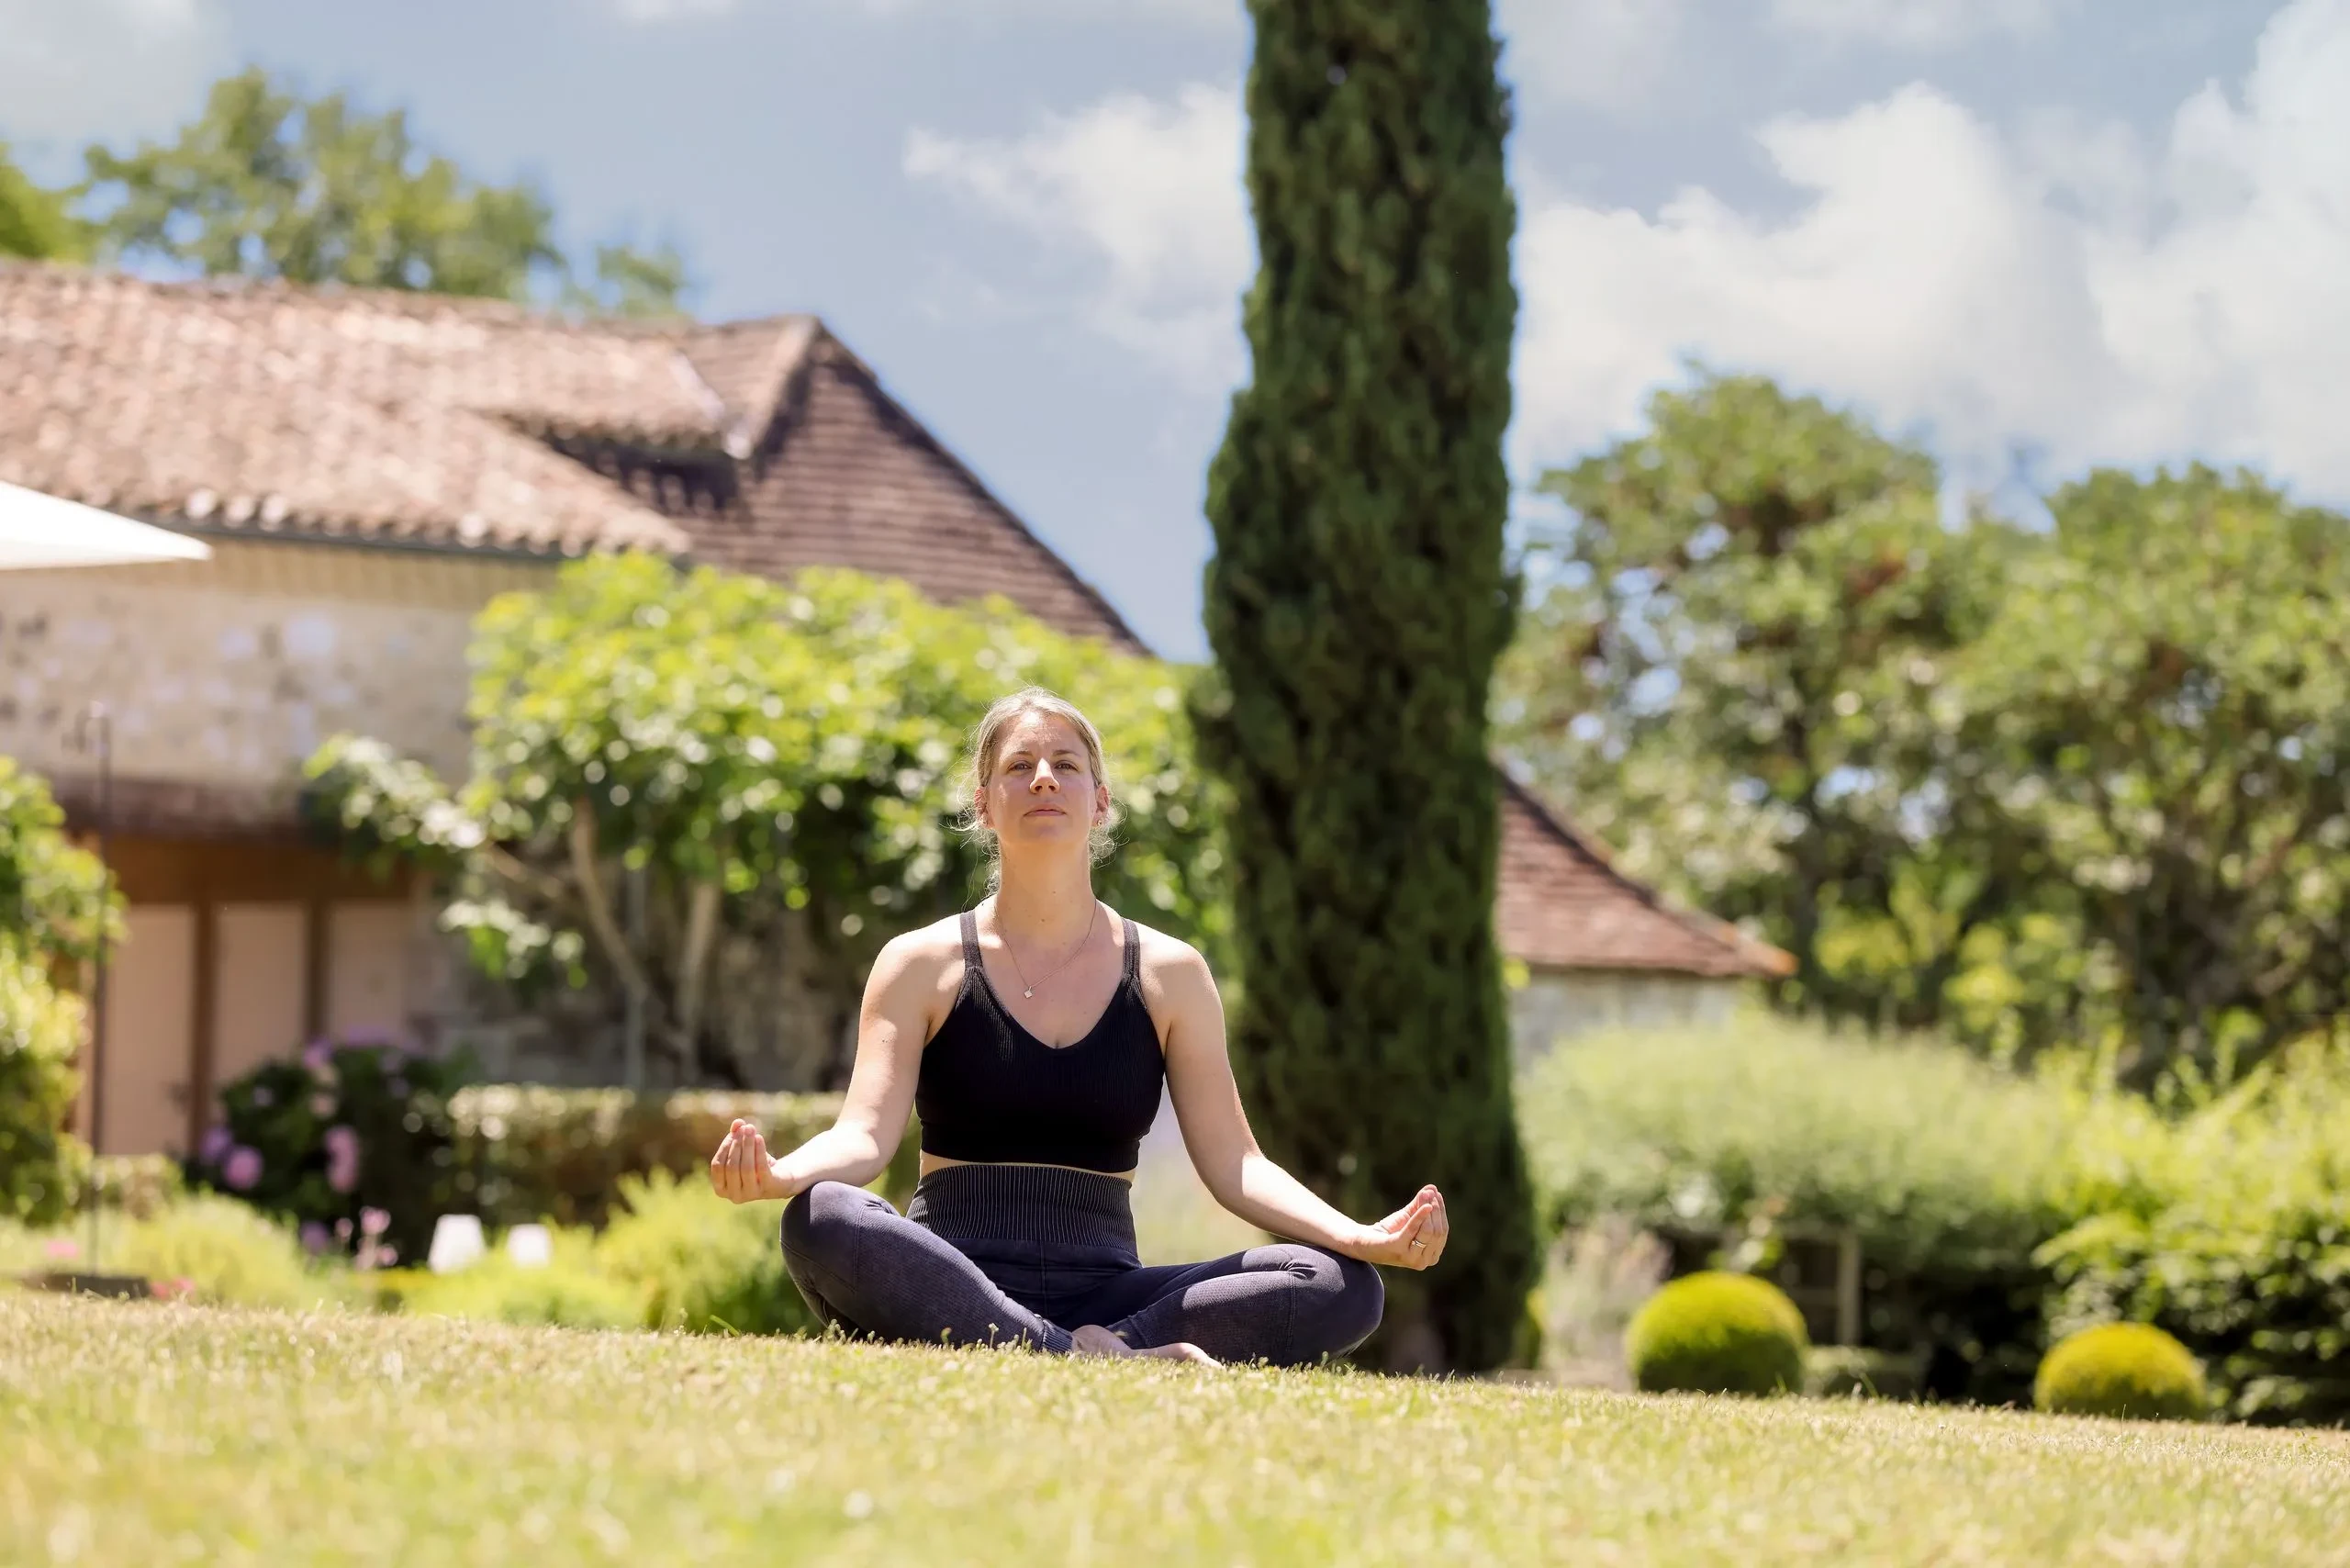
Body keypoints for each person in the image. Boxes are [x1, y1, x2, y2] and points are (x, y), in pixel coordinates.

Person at [709, 687, 1449, 1367]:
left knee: (1339, 1283)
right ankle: (1080, 1356)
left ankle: (1105, 1346)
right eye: (1018, 766)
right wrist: (783, 1175)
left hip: (1110, 1293)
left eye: (1065, 764)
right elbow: (863, 1138)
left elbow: (1237, 1167)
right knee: (823, 1215)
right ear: (985, 803)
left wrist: (1355, 1236)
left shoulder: (1170, 972)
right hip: (953, 1275)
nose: (1042, 778)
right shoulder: (918, 962)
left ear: (1100, 802)